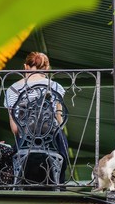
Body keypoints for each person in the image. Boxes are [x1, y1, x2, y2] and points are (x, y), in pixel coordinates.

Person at [4, 52, 69, 184]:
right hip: (52, 141)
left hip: (25, 141)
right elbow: (59, 121)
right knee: (62, 140)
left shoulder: (12, 90)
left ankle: (21, 185)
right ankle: (58, 184)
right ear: (46, 68)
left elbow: (15, 129)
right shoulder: (56, 87)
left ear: (25, 67)